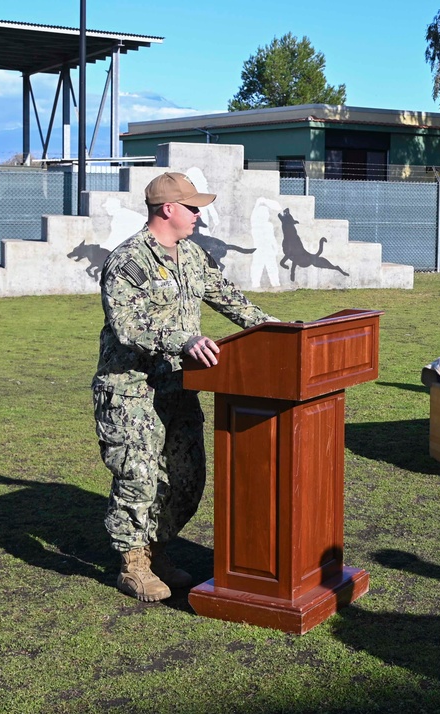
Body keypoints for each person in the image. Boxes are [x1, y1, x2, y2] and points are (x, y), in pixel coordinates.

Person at [92, 171, 281, 602]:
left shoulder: (192, 256)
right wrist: (185, 340)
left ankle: (157, 550)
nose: (199, 214)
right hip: (131, 391)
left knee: (186, 477)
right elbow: (127, 326)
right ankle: (133, 564)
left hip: (179, 388)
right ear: (168, 209)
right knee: (138, 477)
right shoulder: (128, 261)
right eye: (193, 207)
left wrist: (277, 331)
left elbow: (229, 298)